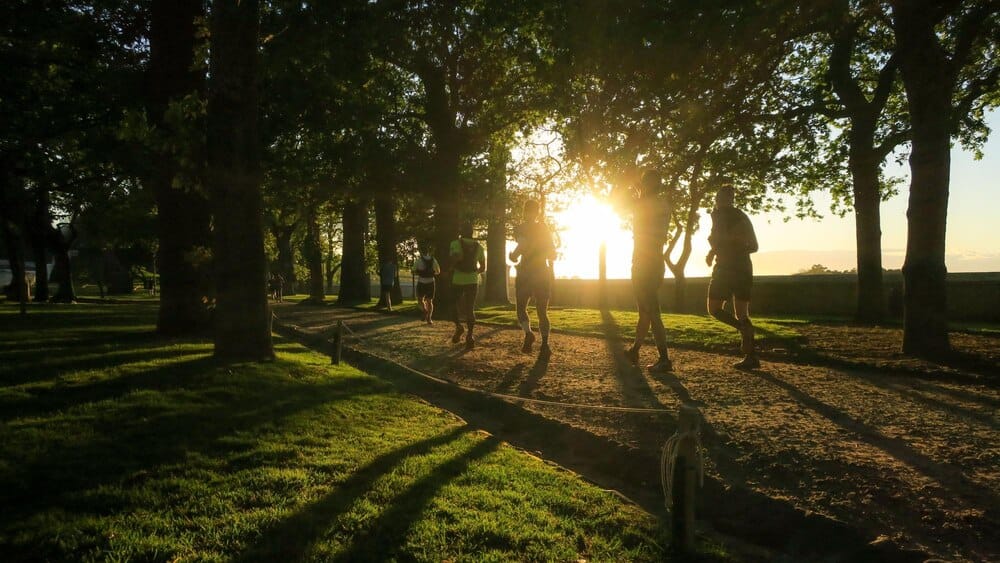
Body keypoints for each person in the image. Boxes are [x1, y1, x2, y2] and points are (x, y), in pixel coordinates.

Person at [621, 170, 673, 373]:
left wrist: (634, 186)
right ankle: (635, 349)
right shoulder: (663, 204)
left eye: (643, 183)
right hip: (655, 261)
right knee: (645, 310)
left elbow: (626, 204)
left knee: (651, 311)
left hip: (645, 263)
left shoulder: (645, 204)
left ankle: (664, 358)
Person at [705, 183, 760, 369]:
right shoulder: (727, 216)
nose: (719, 201)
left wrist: (727, 249)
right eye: (718, 198)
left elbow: (753, 245)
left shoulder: (733, 217)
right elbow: (750, 246)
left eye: (721, 198)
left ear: (729, 199)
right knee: (742, 313)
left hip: (728, 268)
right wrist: (713, 252)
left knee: (713, 309)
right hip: (743, 267)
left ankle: (743, 330)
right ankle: (751, 356)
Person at [509, 199, 557, 353]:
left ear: (524, 211)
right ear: (537, 212)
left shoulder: (520, 228)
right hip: (542, 271)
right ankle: (545, 344)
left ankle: (529, 333)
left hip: (525, 272)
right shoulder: (544, 228)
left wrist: (513, 255)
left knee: (521, 307)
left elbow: (522, 245)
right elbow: (553, 254)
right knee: (542, 311)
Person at [449, 223, 486, 349]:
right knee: (470, 308)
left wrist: (451, 268)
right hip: (472, 280)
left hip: (458, 279)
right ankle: (470, 336)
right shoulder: (479, 247)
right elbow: (483, 267)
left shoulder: (455, 243)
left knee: (453, 303)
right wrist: (474, 272)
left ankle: (459, 327)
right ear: (472, 233)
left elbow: (455, 259)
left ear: (461, 232)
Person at [411, 245, 440, 324]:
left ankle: (424, 310)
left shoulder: (419, 260)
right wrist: (431, 273)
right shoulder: (434, 260)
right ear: (428, 252)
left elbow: (413, 271)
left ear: (421, 251)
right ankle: (429, 319)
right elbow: (438, 271)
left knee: (420, 300)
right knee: (430, 301)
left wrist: (420, 272)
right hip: (431, 282)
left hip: (421, 282)